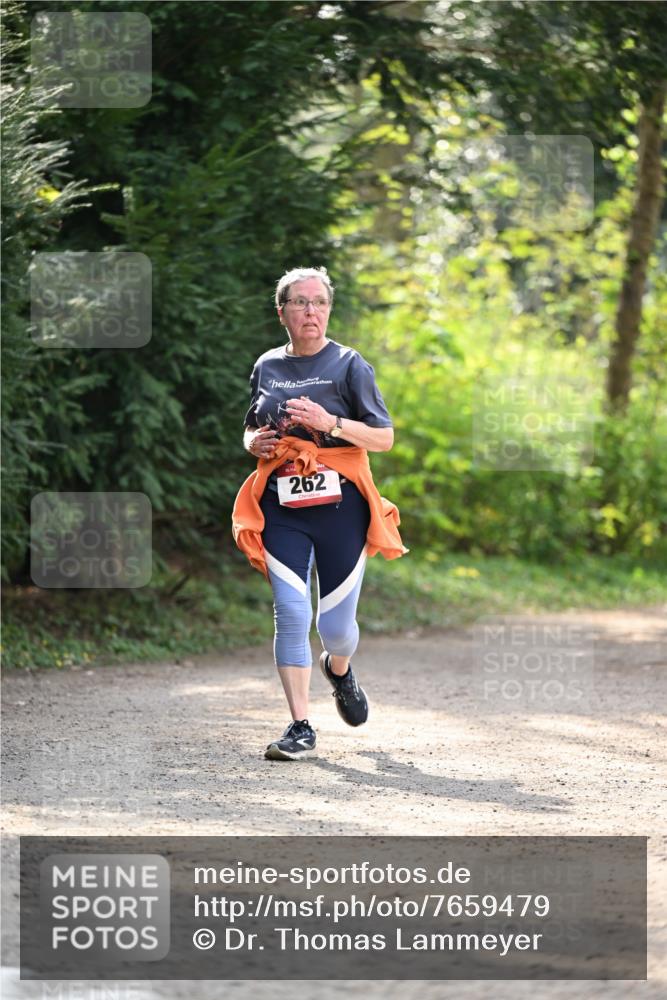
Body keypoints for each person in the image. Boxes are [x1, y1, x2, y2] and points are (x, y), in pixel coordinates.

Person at [232, 266, 407, 761]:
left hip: (341, 508)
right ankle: (300, 726)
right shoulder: (266, 364)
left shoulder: (351, 365)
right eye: (300, 302)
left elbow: (384, 438)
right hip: (282, 506)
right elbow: (250, 427)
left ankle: (339, 668)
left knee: (336, 629)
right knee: (291, 612)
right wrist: (254, 442)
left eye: (319, 302)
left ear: (328, 310)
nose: (311, 311)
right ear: (282, 311)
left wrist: (330, 422)